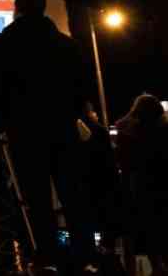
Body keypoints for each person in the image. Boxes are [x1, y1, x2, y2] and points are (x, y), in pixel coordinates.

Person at [0, 0, 94, 274]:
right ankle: (84, 255)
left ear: (17, 9)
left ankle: (46, 255)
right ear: (43, 9)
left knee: (36, 198)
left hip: (25, 132)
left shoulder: (4, 44)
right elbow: (83, 85)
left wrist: (2, 127)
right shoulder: (66, 44)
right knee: (73, 194)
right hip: (62, 127)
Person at [114, 94, 167, 276]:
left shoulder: (126, 131)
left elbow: (121, 160)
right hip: (161, 184)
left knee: (148, 228)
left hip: (138, 186)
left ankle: (156, 266)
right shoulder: (162, 130)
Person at [80, 102, 124, 274]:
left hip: (87, 185)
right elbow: (109, 159)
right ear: (90, 112)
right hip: (104, 183)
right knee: (108, 219)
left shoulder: (75, 132)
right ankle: (108, 255)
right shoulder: (99, 131)